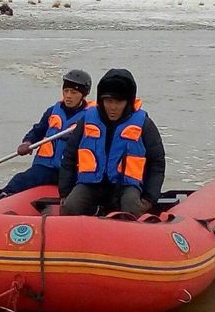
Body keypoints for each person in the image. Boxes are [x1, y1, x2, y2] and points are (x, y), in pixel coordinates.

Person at [59, 68, 165, 217]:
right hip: (91, 184)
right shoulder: (87, 120)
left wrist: (149, 197)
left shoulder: (144, 124)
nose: (113, 107)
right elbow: (69, 157)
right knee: (71, 206)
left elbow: (157, 163)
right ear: (101, 100)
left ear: (128, 101)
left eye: (118, 102)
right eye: (108, 101)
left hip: (126, 186)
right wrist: (65, 192)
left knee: (132, 208)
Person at [0, 70, 94, 202]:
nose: (68, 96)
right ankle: (0, 199)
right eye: (66, 91)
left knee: (84, 193)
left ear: (83, 95)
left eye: (73, 93)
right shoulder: (52, 111)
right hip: (46, 167)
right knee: (20, 179)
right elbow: (38, 130)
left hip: (71, 170)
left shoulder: (91, 117)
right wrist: (27, 142)